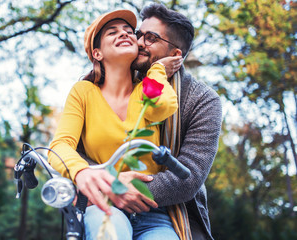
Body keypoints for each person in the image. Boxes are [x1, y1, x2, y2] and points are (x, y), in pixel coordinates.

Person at [48, 9, 181, 240]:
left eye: (130, 31)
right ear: (97, 53)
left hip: (151, 212)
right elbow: (60, 145)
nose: (125, 34)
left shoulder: (144, 89)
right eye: (113, 32)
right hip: (104, 204)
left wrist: (157, 70)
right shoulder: (83, 92)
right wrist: (81, 172)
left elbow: (163, 107)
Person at [118, 3, 222, 240]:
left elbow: (190, 176)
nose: (140, 42)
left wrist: (129, 190)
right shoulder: (112, 81)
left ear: (176, 55)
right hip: (105, 196)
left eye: (151, 38)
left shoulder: (204, 100)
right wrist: (109, 185)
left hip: (172, 209)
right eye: (139, 35)